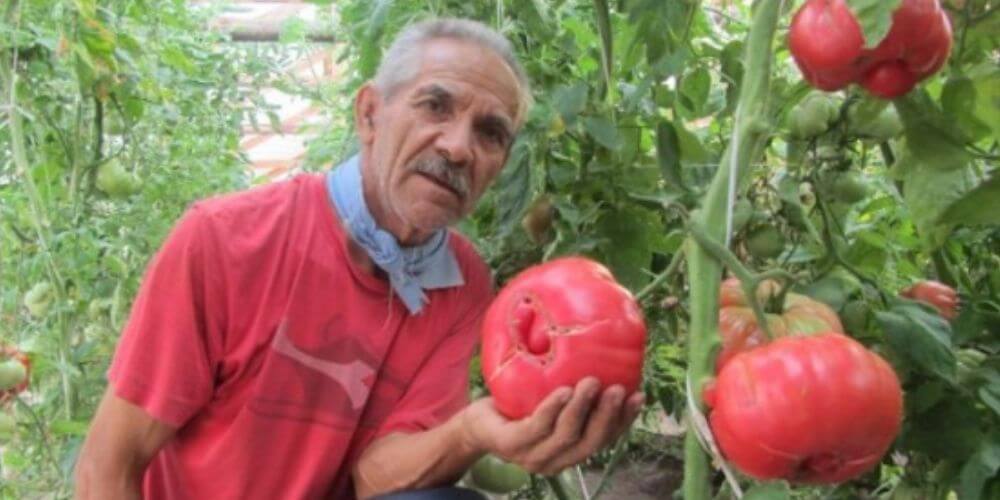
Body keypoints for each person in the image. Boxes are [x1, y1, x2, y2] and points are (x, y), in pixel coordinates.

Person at [74, 18, 644, 500]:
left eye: (490, 133)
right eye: (434, 106)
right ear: (369, 115)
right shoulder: (226, 240)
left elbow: (377, 474)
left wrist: (474, 431)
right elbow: (110, 464)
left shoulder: (463, 283)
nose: (457, 146)